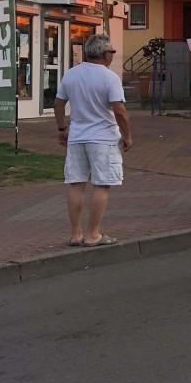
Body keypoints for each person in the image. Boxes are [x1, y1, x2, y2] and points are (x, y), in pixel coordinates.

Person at [53, 34, 132, 247]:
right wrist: (127, 136)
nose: (112, 56)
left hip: (77, 136)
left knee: (76, 184)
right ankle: (93, 234)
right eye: (112, 53)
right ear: (106, 54)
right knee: (102, 184)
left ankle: (76, 234)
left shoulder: (71, 74)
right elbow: (120, 111)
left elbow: (58, 104)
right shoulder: (109, 77)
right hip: (103, 138)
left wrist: (62, 129)